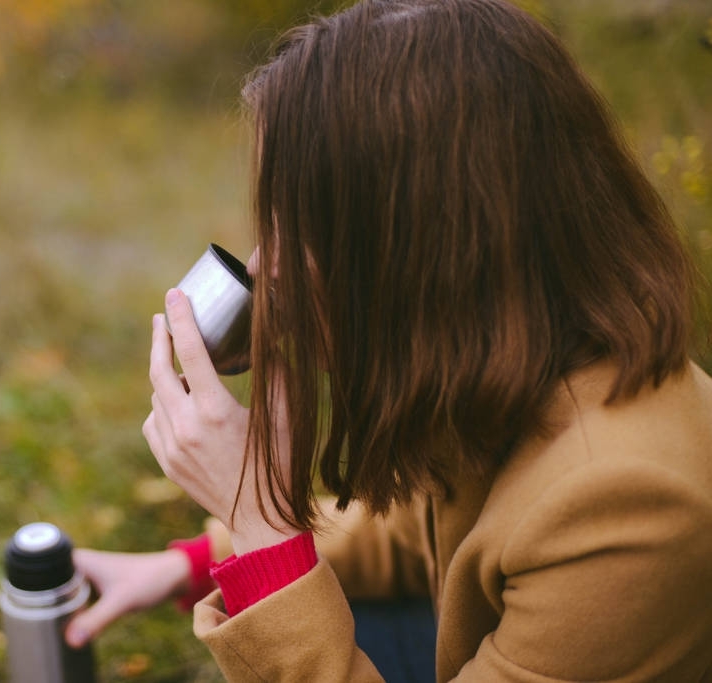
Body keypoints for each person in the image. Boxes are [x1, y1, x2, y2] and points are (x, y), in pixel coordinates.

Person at [65, 0, 712, 680]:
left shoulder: (623, 506)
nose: (261, 266)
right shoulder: (525, 362)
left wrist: (258, 519)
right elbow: (409, 533)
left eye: (300, 225)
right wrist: (193, 561)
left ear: (420, 246)